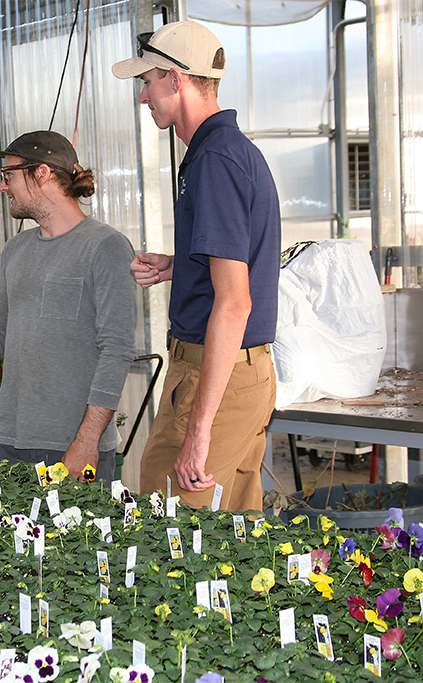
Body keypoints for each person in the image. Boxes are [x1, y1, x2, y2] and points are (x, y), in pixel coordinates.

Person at [112, 20, 281, 512]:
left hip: (216, 373)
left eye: (147, 81)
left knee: (173, 531)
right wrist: (179, 265)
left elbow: (235, 302)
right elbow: (239, 267)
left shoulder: (215, 162)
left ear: (176, 79)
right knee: (233, 537)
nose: (144, 96)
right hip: (237, 372)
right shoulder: (226, 152)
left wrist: (199, 430)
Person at [0, 131, 136, 481]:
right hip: (6, 441)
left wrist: (88, 438)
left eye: (9, 176)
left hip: (70, 447)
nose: (3, 187)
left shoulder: (105, 247)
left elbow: (117, 349)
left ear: (42, 173)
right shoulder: (16, 250)